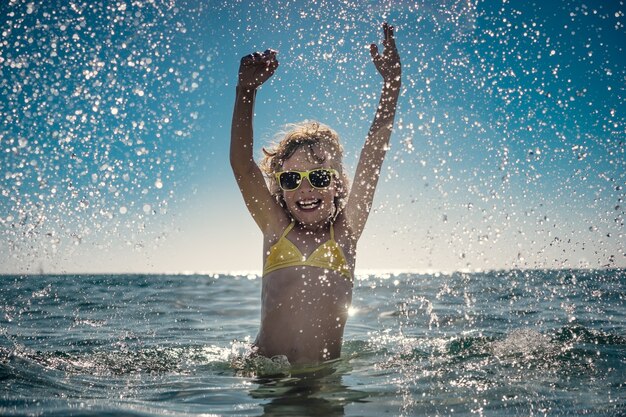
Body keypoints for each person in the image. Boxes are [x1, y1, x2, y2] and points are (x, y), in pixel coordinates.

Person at [230, 22, 401, 365]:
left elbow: (373, 155)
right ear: (280, 187)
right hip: (266, 377)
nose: (305, 188)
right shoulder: (276, 228)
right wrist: (245, 91)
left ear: (338, 184)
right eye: (292, 179)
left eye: (319, 177)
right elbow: (242, 165)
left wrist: (392, 86)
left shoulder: (346, 233)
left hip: (322, 383)